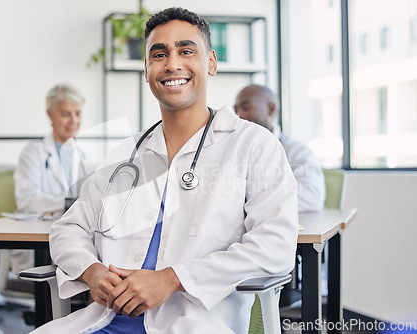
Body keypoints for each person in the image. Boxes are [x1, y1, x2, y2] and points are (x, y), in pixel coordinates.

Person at [36, 7, 298, 333]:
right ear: (146, 70)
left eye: (186, 51)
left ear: (211, 62)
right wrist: (92, 272)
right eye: (159, 54)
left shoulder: (253, 145)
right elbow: (68, 228)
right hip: (104, 322)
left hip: (193, 324)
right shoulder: (127, 154)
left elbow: (277, 246)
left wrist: (173, 280)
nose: (172, 63)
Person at [12, 83, 88, 275]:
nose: (73, 120)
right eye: (65, 114)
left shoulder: (85, 155)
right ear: (50, 114)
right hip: (40, 241)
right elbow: (27, 200)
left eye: (77, 114)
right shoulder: (33, 153)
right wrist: (67, 203)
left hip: (74, 235)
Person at [234, 84, 326, 212]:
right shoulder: (234, 150)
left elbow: (311, 197)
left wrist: (253, 202)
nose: (239, 115)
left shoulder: (296, 151)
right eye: (236, 110)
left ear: (271, 109)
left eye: (246, 107)